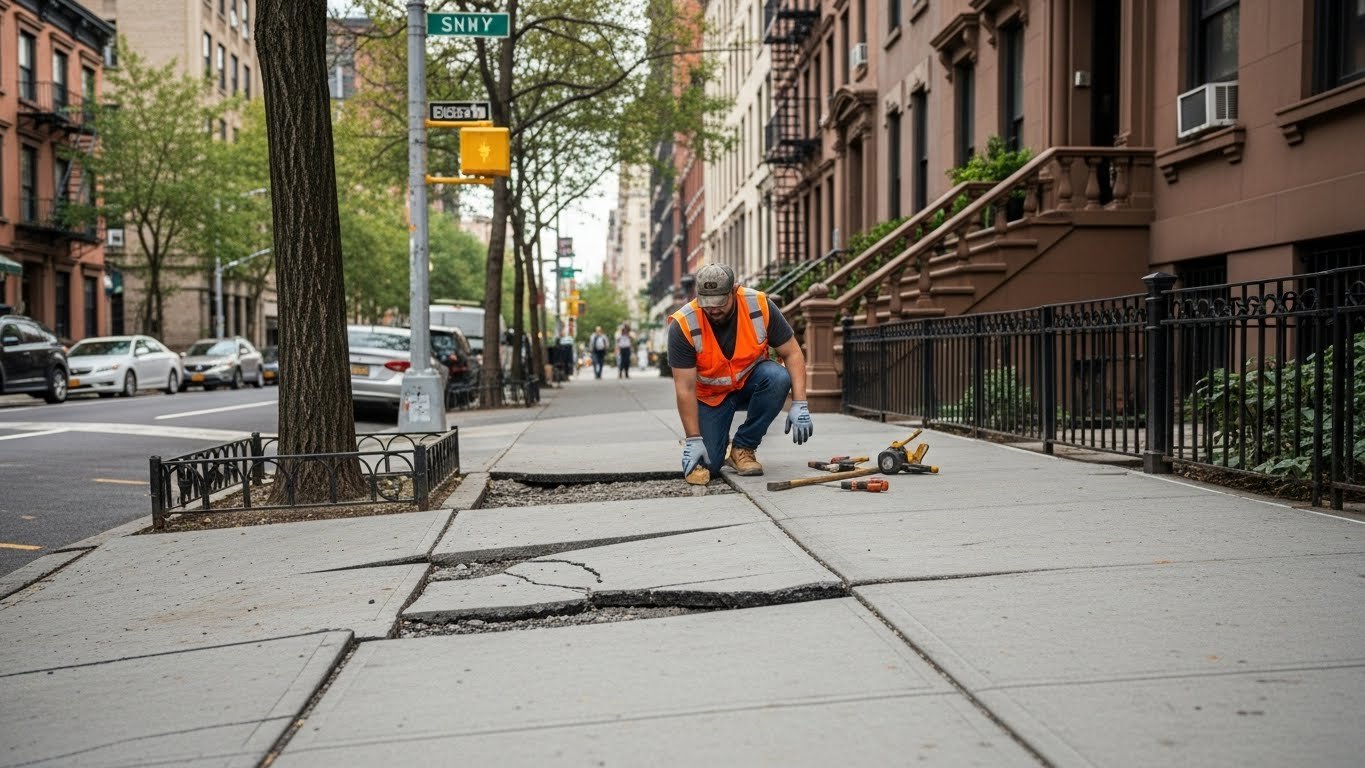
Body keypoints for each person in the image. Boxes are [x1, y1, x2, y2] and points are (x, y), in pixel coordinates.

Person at [670, 263, 813, 484]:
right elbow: (685, 387)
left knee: (778, 377)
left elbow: (792, 353)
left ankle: (743, 447)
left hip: (751, 384)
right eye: (707, 303)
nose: (713, 310)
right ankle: (714, 441)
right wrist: (693, 439)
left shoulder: (759, 305)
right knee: (710, 464)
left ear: (734, 290)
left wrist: (800, 403)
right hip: (711, 397)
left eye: (720, 302)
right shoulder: (684, 323)